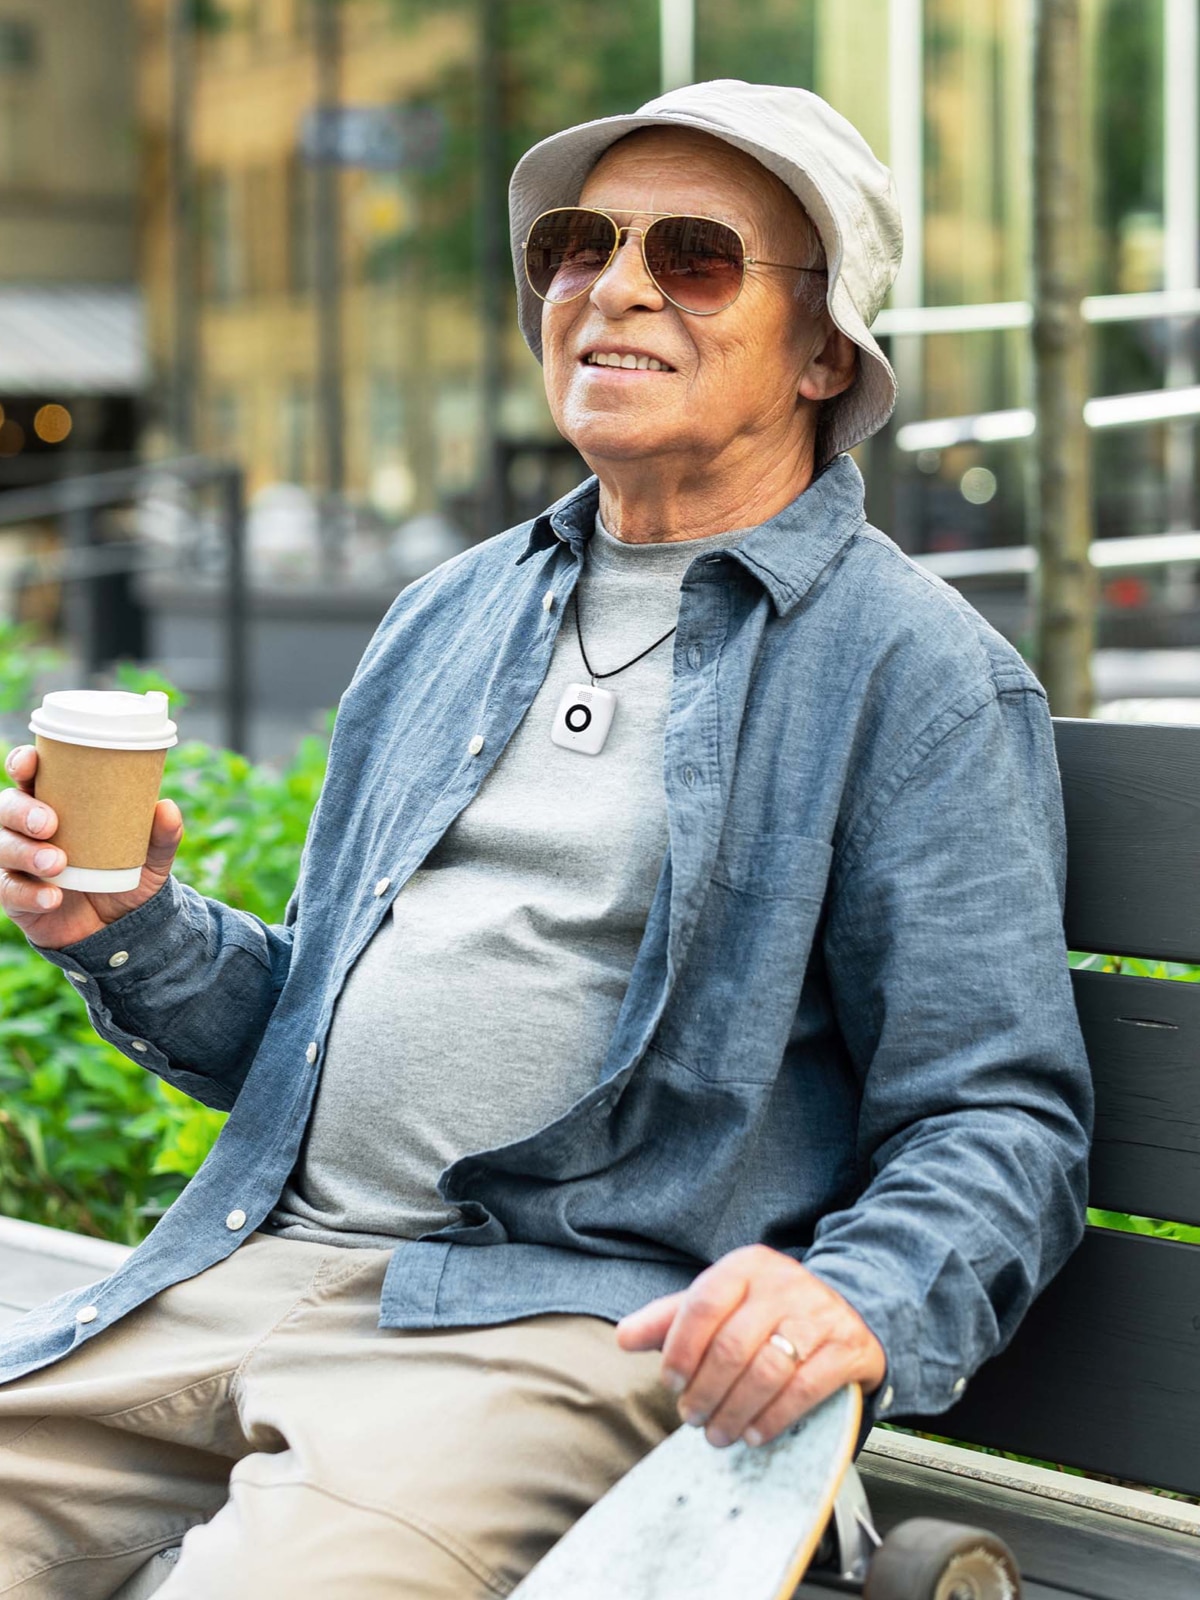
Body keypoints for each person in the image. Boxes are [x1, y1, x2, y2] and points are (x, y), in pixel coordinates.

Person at [0, 80, 1092, 1599]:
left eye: (697, 257)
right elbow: (306, 1030)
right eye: (581, 246)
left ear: (826, 348)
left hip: (558, 1336)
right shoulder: (452, 612)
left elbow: (1000, 1117)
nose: (616, 285)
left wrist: (861, 1296)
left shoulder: (915, 674)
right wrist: (123, 921)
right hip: (245, 1272)